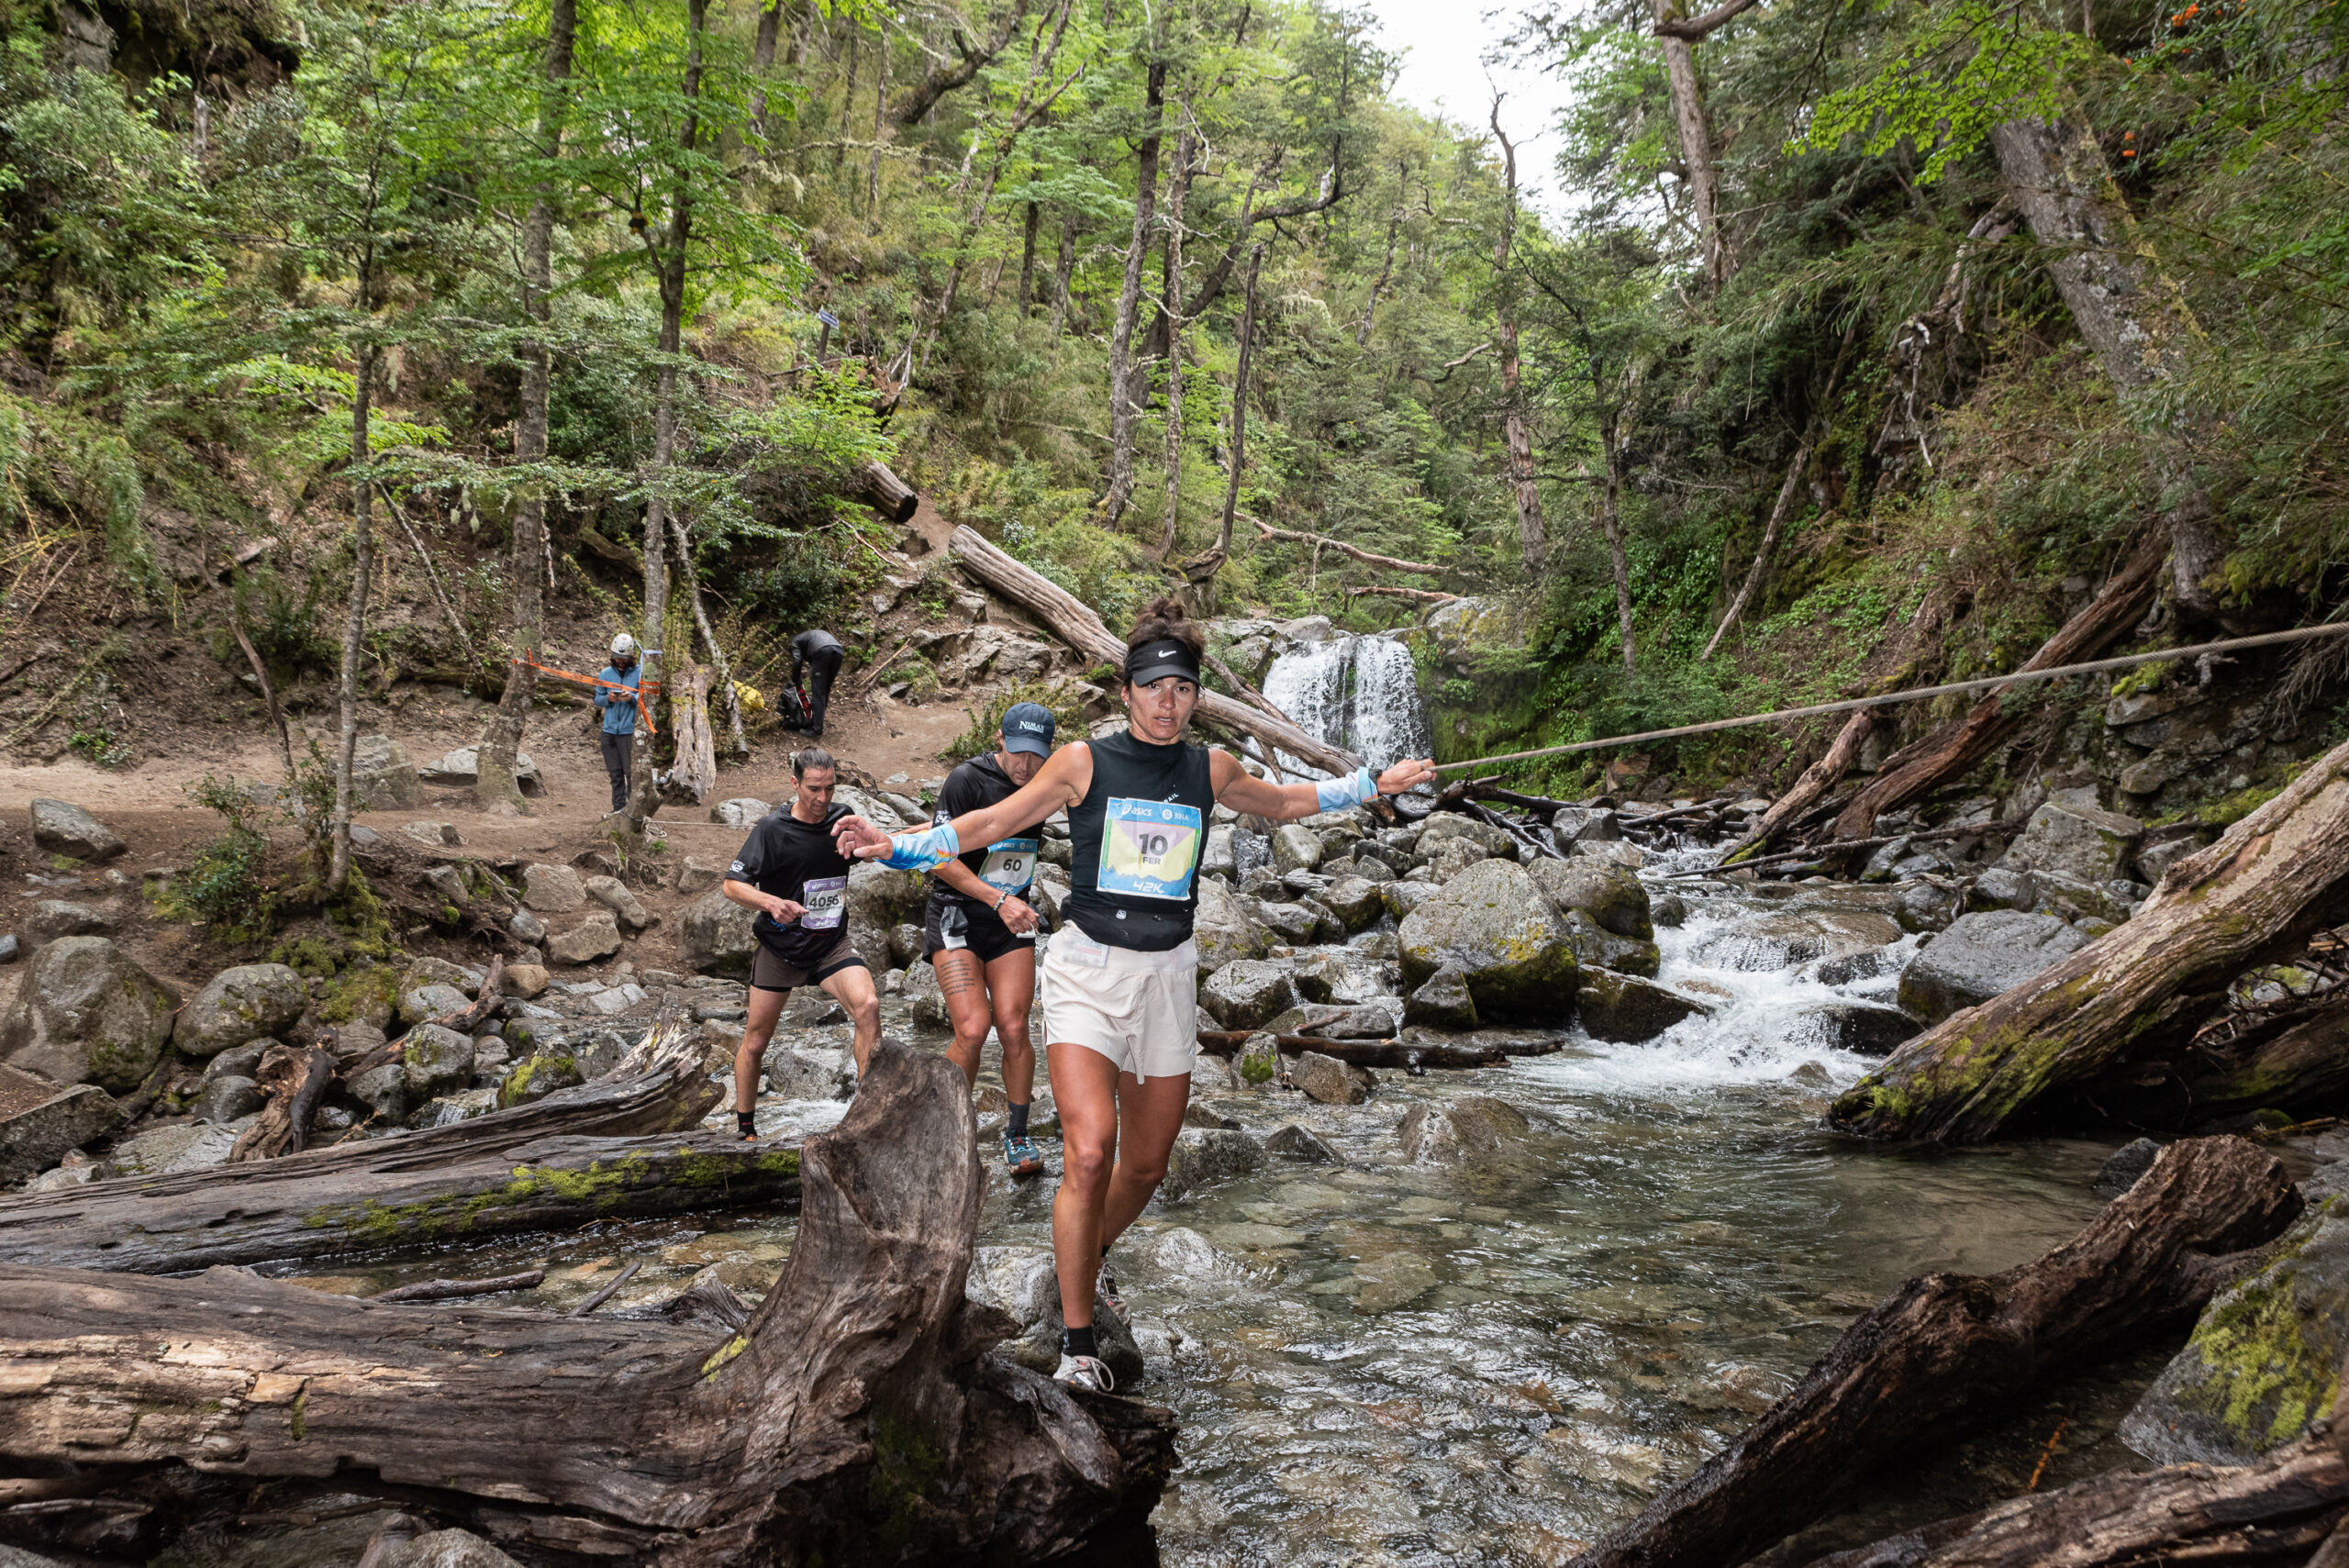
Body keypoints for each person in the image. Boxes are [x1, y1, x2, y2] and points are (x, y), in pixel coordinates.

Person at [837, 599, 1436, 1393]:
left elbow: (1285, 802)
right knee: (1089, 1150)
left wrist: (1369, 783)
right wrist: (899, 842)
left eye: (1182, 688)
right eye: (1153, 686)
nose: (1167, 700)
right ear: (1126, 690)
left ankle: (1086, 1256)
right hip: (1086, 970)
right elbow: (993, 818)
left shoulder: (1209, 768)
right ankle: (1078, 1344)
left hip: (1169, 976)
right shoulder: (1083, 762)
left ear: (1194, 696)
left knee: (1147, 1165)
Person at [720, 747, 884, 1141]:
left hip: (830, 945)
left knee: (869, 1006)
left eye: (829, 788)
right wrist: (771, 902)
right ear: (795, 784)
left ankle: (867, 1117)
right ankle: (745, 1129)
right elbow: (731, 885)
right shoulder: (771, 829)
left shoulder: (842, 819)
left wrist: (932, 833)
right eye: (813, 788)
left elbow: (881, 847)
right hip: (781, 947)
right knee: (757, 1041)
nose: (822, 798)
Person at [925, 701, 1058, 1178]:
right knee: (973, 1030)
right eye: (1019, 753)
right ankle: (940, 1128)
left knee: (1016, 1028)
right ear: (1000, 740)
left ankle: (1018, 1135)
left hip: (1009, 923)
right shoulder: (967, 779)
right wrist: (998, 899)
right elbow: (939, 855)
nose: (1026, 765)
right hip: (958, 915)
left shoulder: (1048, 786)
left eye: (1037, 755)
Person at [595, 633, 643, 815]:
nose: (620, 661)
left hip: (628, 731)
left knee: (630, 773)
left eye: (624, 658)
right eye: (617, 657)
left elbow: (647, 698)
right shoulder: (605, 674)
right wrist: (608, 698)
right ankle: (617, 808)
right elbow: (597, 699)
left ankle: (632, 809)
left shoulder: (640, 673)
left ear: (631, 657)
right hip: (609, 731)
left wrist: (632, 698)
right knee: (615, 773)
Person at [790, 627, 845, 738]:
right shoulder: (809, 638)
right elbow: (819, 661)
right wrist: (811, 671)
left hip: (822, 652)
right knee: (824, 690)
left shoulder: (795, 643)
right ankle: (816, 721)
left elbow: (797, 661)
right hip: (838, 651)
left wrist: (795, 679)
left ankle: (816, 730)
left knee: (818, 694)